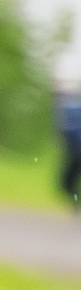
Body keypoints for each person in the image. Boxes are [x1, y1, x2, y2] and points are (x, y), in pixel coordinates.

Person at [57, 83, 81, 211]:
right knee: (69, 181)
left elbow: (67, 130)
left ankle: (76, 201)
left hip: (76, 150)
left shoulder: (67, 109)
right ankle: (76, 201)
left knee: (67, 182)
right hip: (74, 150)